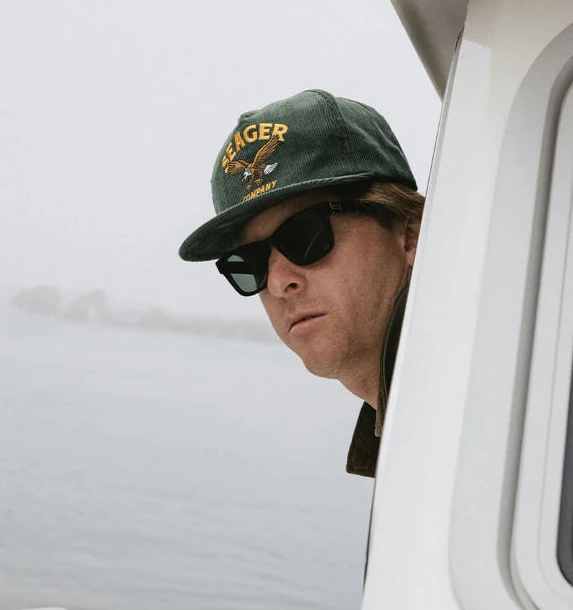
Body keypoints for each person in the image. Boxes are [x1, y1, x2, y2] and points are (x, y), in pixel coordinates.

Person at [178, 89, 425, 478]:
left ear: (408, 233)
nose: (277, 283)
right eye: (251, 262)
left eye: (305, 236)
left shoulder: (489, 397)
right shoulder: (422, 427)